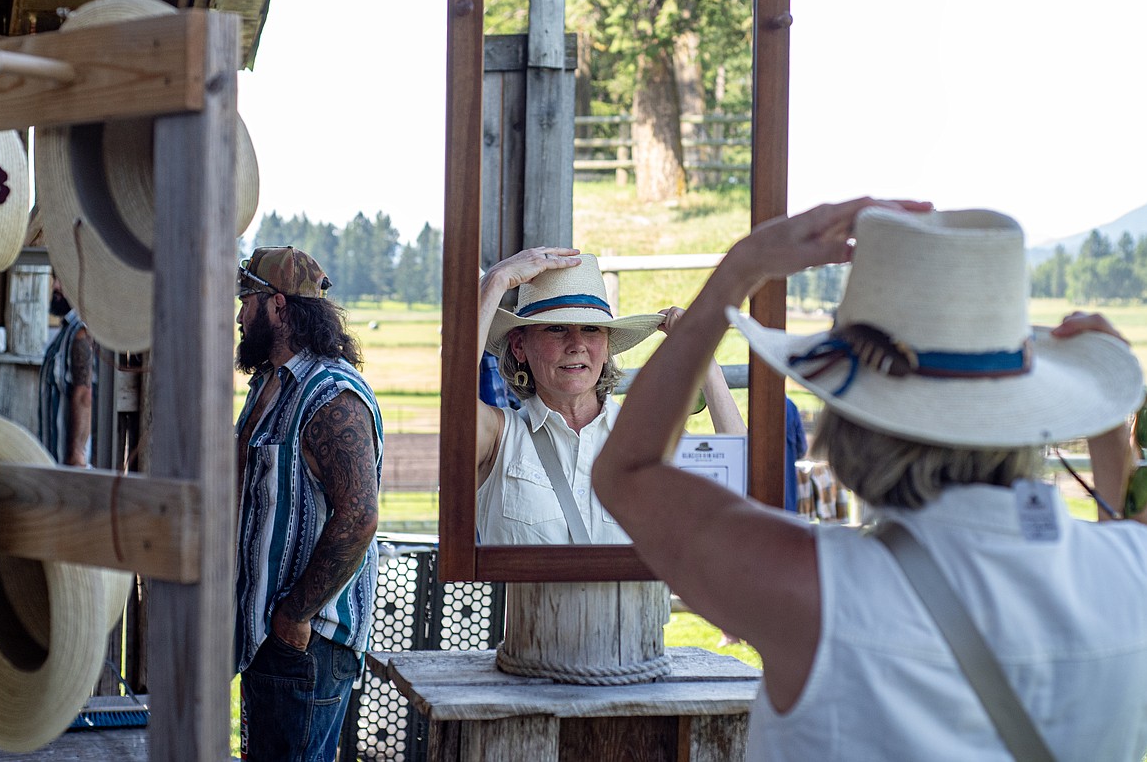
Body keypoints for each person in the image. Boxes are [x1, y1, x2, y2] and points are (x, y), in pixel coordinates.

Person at [593, 199, 1147, 760]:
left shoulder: (811, 588)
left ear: (850, 419)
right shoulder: (1131, 571)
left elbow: (628, 470)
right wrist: (1112, 440)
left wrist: (740, 270)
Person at [477, 248, 744, 544]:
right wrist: (496, 281)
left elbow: (740, 485)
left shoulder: (648, 439)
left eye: (591, 329)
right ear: (519, 347)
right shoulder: (499, 437)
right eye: (556, 329)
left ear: (606, 348)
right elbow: (453, 405)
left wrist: (702, 349)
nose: (577, 344)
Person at [233, 246, 384, 762]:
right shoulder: (269, 386)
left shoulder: (331, 395)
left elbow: (360, 516)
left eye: (246, 300)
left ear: (276, 306)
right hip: (270, 637)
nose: (238, 314)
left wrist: (296, 615)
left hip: (305, 642)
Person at [38, 277, 95, 467]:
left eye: (62, 278)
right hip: (53, 462)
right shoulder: (65, 332)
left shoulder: (80, 333)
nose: (55, 286)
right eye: (55, 278)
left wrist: (77, 454)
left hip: (68, 466)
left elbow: (84, 396)